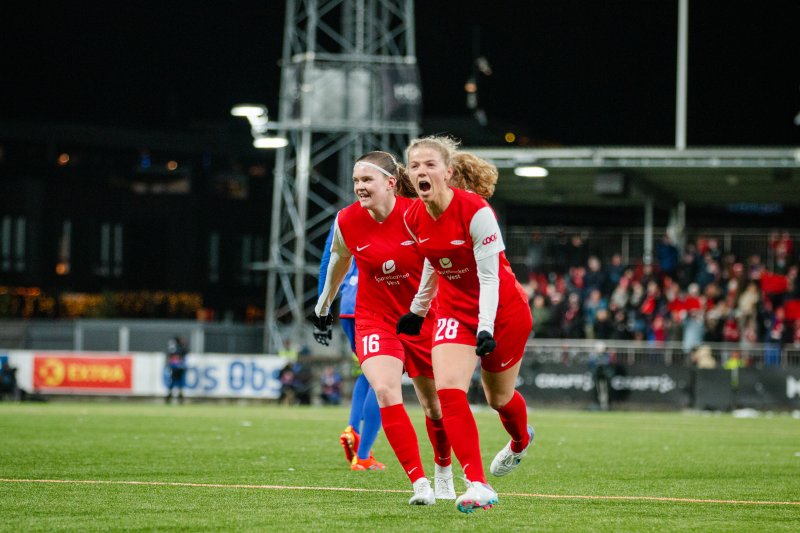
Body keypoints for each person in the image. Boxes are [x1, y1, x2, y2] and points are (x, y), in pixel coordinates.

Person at [396, 136, 534, 513]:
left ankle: (521, 441)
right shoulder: (412, 215)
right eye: (414, 166)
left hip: (503, 311)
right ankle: (478, 484)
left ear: (448, 172)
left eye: (429, 164)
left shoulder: (477, 212)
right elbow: (431, 259)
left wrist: (486, 327)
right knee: (449, 391)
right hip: (454, 312)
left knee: (499, 399)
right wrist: (419, 309)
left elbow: (490, 279)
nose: (421, 172)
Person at [313, 150, 455, 506]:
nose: (359, 187)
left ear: (391, 184)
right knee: (385, 390)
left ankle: (443, 472)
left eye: (366, 181)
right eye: (356, 181)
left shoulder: (417, 215)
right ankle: (419, 484)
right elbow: (338, 262)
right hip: (374, 317)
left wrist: (425, 309)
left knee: (434, 407)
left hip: (422, 318)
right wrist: (322, 305)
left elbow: (441, 264)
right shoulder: (347, 220)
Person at [318, 223, 384, 471]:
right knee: (384, 380)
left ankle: (353, 429)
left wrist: (322, 308)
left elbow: (328, 261)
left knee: (368, 374)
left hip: (348, 304)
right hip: (373, 304)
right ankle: (363, 456)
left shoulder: (346, 218)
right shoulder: (391, 211)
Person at [165, 336, 188, 403]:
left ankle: (170, 398)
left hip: (175, 368)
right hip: (178, 368)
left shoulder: (173, 348)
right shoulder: (180, 349)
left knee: (174, 383)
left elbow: (170, 357)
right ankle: (179, 399)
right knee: (179, 383)